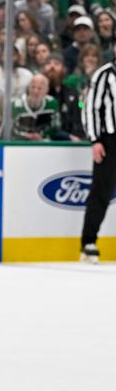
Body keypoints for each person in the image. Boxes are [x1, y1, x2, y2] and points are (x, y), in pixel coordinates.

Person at [80, 57, 116, 263]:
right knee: (101, 191)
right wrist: (95, 139)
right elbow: (90, 107)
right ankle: (88, 241)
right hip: (110, 140)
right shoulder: (104, 74)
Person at [10, 73, 60, 141]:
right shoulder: (16, 105)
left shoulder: (52, 103)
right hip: (21, 146)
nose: (35, 91)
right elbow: (11, 130)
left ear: (47, 90)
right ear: (28, 88)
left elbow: (55, 127)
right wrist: (25, 136)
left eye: (39, 88)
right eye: (33, 87)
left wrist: (42, 137)